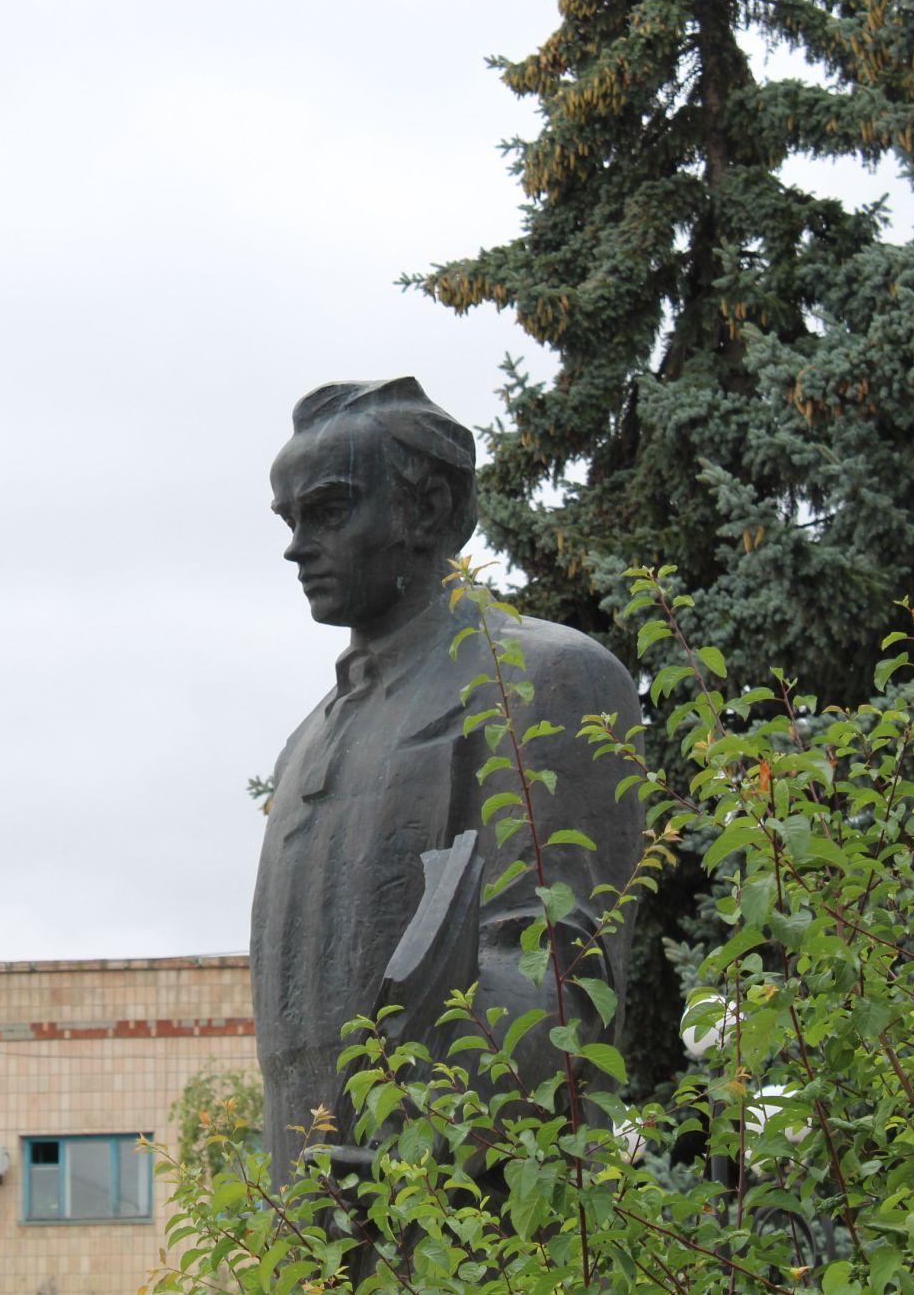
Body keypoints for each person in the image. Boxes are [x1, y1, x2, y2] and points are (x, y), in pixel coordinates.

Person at [250, 377, 642, 1210]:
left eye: (328, 511)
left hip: (473, 1222)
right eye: (290, 521)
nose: (296, 547)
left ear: (426, 509)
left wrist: (419, 1123)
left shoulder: (541, 677)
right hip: (307, 1230)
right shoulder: (305, 743)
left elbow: (560, 975)